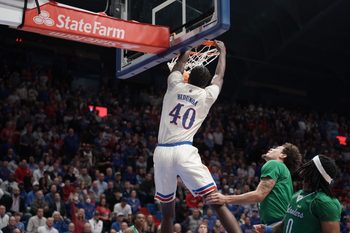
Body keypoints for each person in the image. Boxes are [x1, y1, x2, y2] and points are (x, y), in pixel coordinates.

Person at [153, 40, 241, 233]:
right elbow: (219, 76)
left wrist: (187, 49)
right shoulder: (206, 96)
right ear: (204, 83)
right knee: (216, 202)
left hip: (162, 151)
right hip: (184, 149)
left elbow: (178, 66)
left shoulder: (174, 85)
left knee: (167, 213)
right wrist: (223, 53)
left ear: (188, 77)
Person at [206, 143, 302, 225]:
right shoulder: (285, 173)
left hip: (276, 224)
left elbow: (258, 195)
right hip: (279, 224)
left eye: (276, 148)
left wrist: (225, 199)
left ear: (283, 155)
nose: (271, 149)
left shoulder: (274, 164)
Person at [253, 155, 341, 233]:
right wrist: (268, 229)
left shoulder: (325, 202)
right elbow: (285, 224)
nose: (304, 166)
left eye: (309, 164)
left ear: (313, 172)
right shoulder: (298, 194)